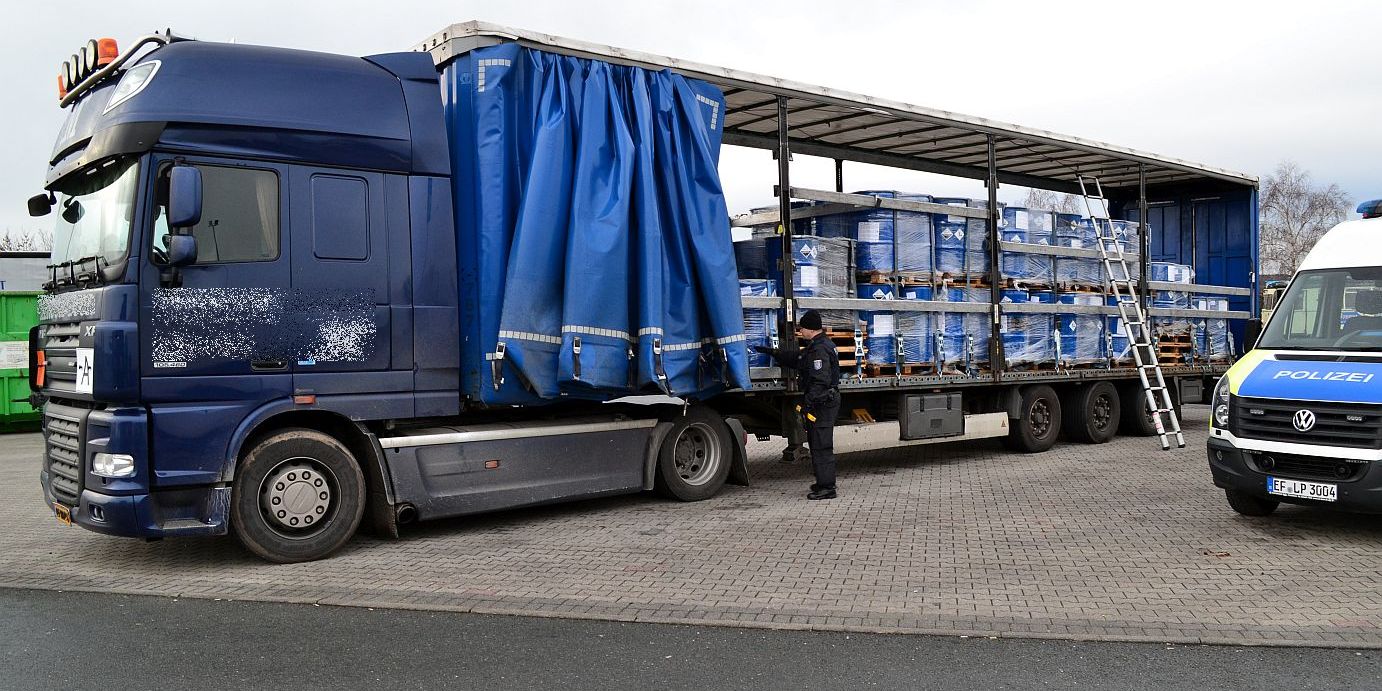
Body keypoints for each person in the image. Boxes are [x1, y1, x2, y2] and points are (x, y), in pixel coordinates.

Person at [753, 310, 840, 500]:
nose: (800, 331)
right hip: (821, 401)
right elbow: (798, 359)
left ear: (810, 329)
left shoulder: (820, 350)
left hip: (822, 403)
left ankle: (827, 488)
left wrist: (808, 403)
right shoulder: (817, 346)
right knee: (817, 443)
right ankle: (822, 483)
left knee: (821, 445)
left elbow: (820, 381)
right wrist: (774, 353)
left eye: (802, 328)